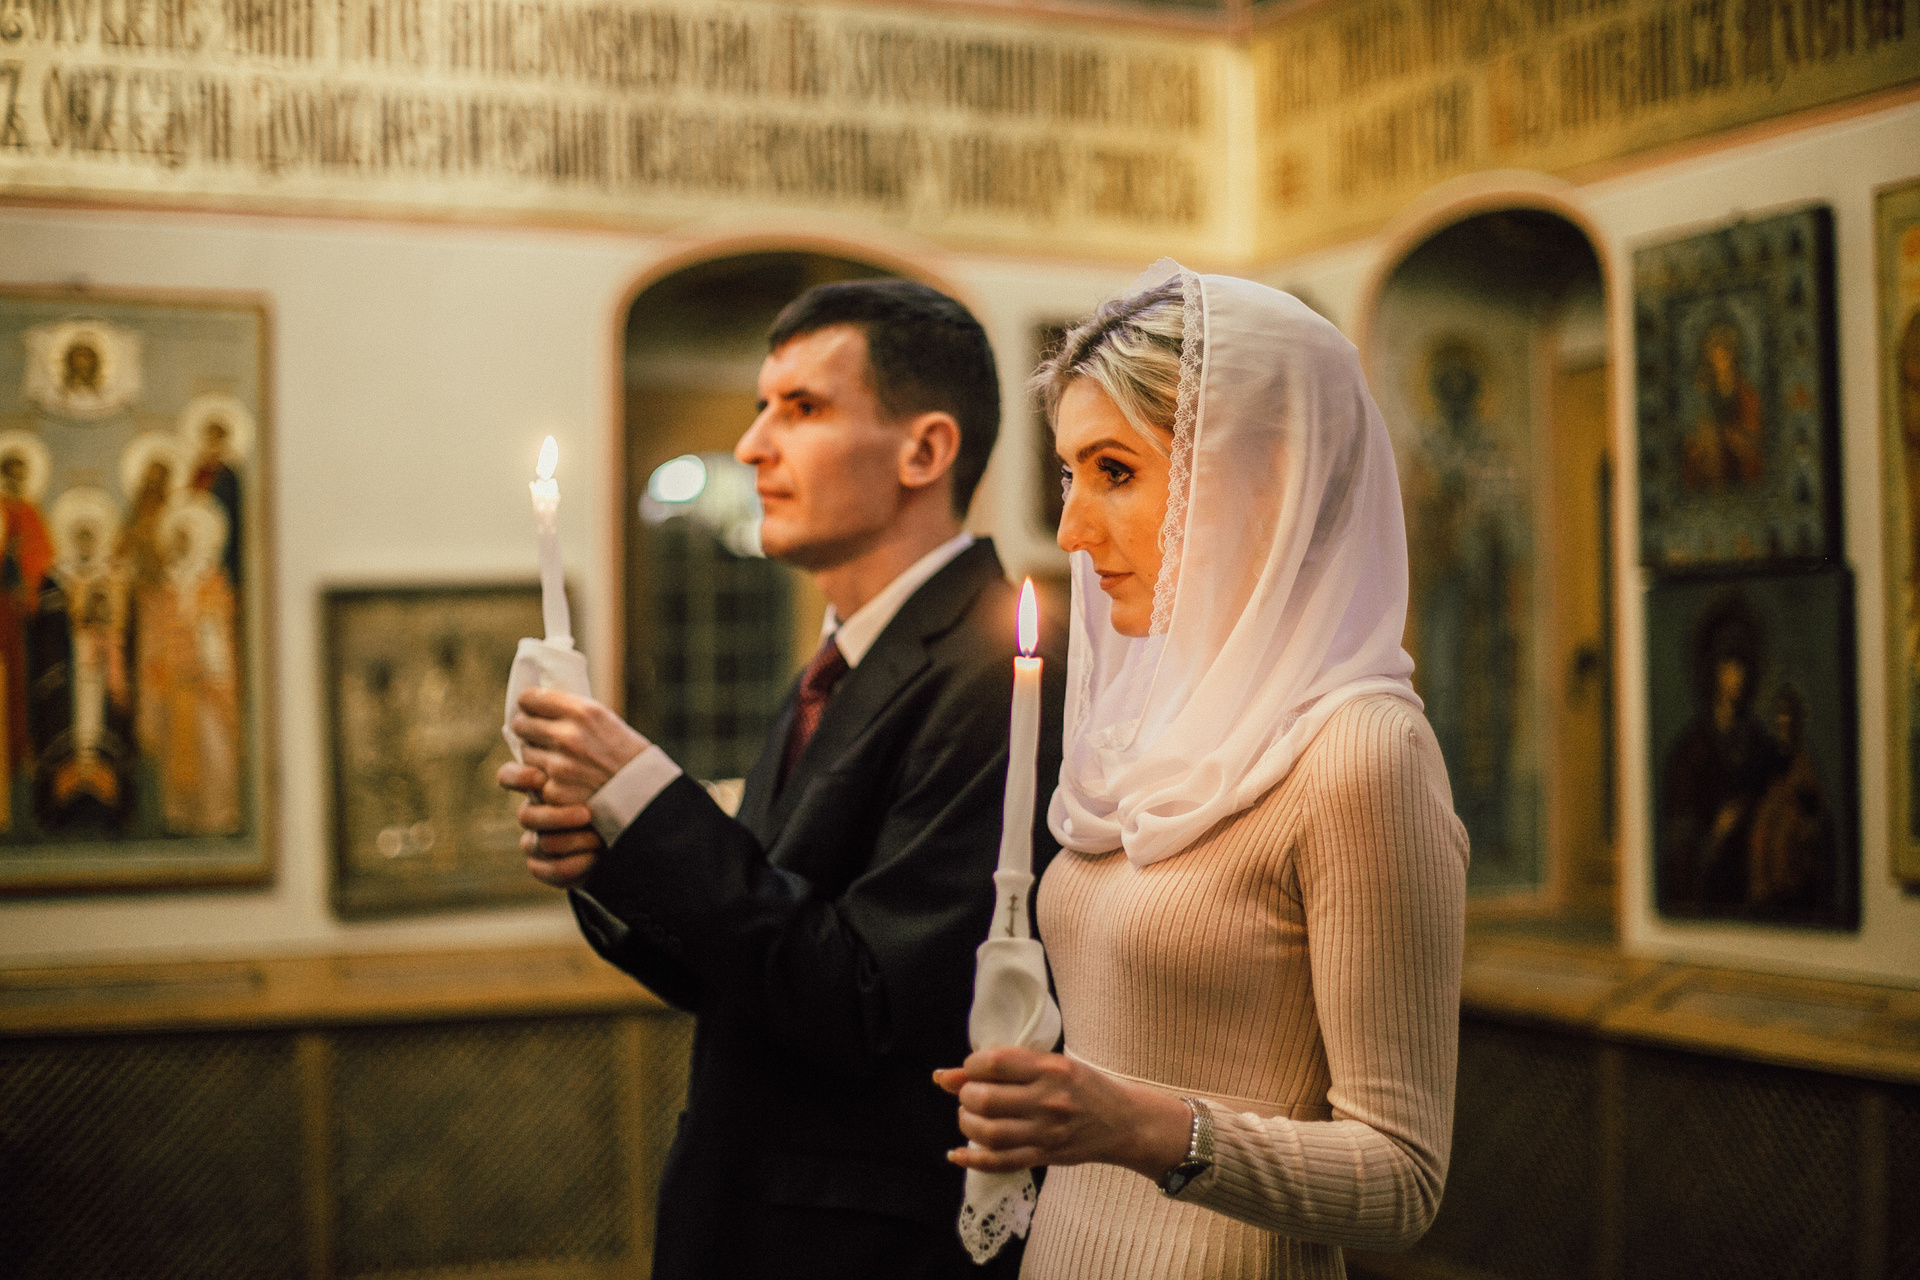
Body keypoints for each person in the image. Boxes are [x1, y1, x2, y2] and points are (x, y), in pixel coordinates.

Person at [499, 280, 1067, 1280]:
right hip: (744, 1210)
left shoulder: (993, 669)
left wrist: (644, 795)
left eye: (801, 408)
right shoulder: (838, 662)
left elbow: (869, 1001)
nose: (753, 445)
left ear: (925, 450)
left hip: (861, 1243)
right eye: (762, 406)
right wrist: (607, 854)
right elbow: (752, 962)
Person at [937, 265, 1468, 1278]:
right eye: (1069, 475)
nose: (1071, 530)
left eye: (1116, 470)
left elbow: (1402, 1179)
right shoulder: (1134, 731)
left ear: (1261, 478)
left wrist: (1145, 1126)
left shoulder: (1360, 751)